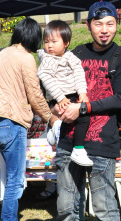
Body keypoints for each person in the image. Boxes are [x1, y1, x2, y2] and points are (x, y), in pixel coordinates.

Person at [54, 0, 121, 221]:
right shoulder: (74, 53)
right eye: (98, 24)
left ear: (116, 25)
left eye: (110, 24)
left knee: (103, 204)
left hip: (102, 140)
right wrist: (57, 106)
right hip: (69, 139)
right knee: (66, 203)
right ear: (88, 25)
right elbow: (57, 85)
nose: (104, 30)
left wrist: (84, 108)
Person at [0, 18, 57, 221]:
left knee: (11, 175)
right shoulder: (26, 58)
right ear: (34, 37)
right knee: (16, 178)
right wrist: (50, 117)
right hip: (14, 121)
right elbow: (35, 94)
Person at [37, 20, 91, 167]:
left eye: (54, 41)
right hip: (58, 97)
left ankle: (54, 130)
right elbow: (45, 77)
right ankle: (77, 148)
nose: (49, 45)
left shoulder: (70, 57)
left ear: (66, 43)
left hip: (72, 94)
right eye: (46, 41)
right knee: (82, 118)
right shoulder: (48, 59)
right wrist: (60, 97)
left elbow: (79, 73)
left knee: (81, 116)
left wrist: (82, 92)